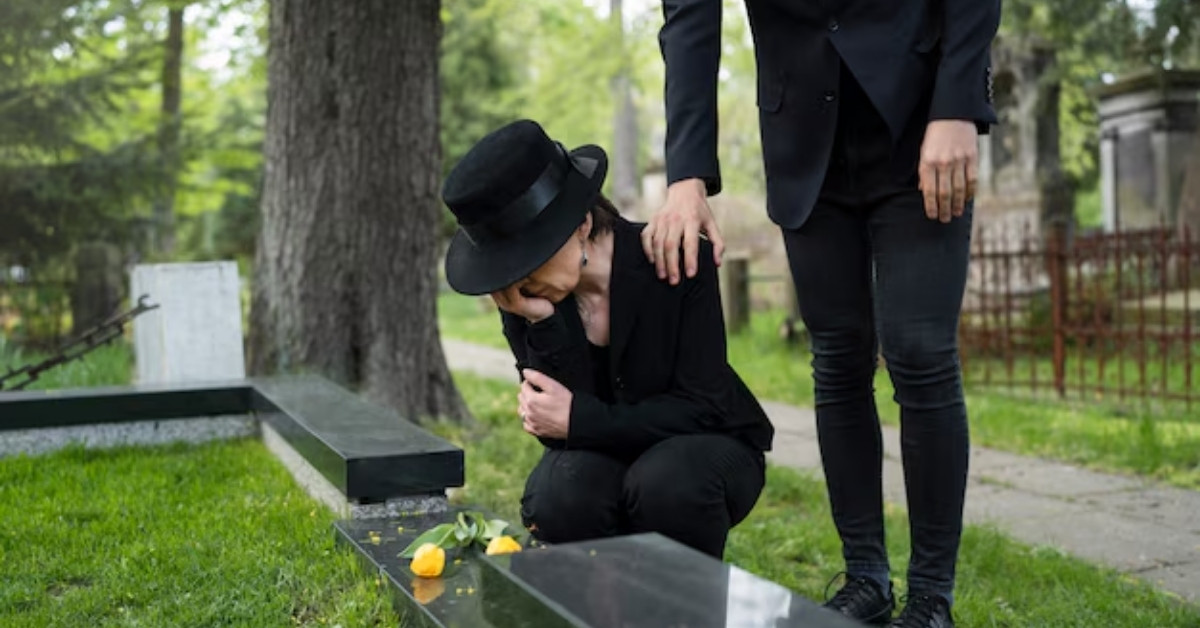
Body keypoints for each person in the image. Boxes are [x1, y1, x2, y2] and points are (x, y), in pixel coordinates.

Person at [647, 1, 1000, 626]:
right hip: (803, 129)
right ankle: (866, 576)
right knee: (838, 358)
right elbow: (689, 16)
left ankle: (930, 597)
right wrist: (686, 174)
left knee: (919, 352)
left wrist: (958, 103)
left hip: (920, 117)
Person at [441, 119, 774, 559]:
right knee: (559, 495)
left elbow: (703, 408)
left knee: (665, 483)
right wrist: (541, 324)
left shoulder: (673, 259)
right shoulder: (525, 297)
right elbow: (556, 434)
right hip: (607, 455)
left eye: (529, 256)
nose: (517, 278)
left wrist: (583, 420)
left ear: (580, 224)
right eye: (507, 263)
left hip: (708, 447)